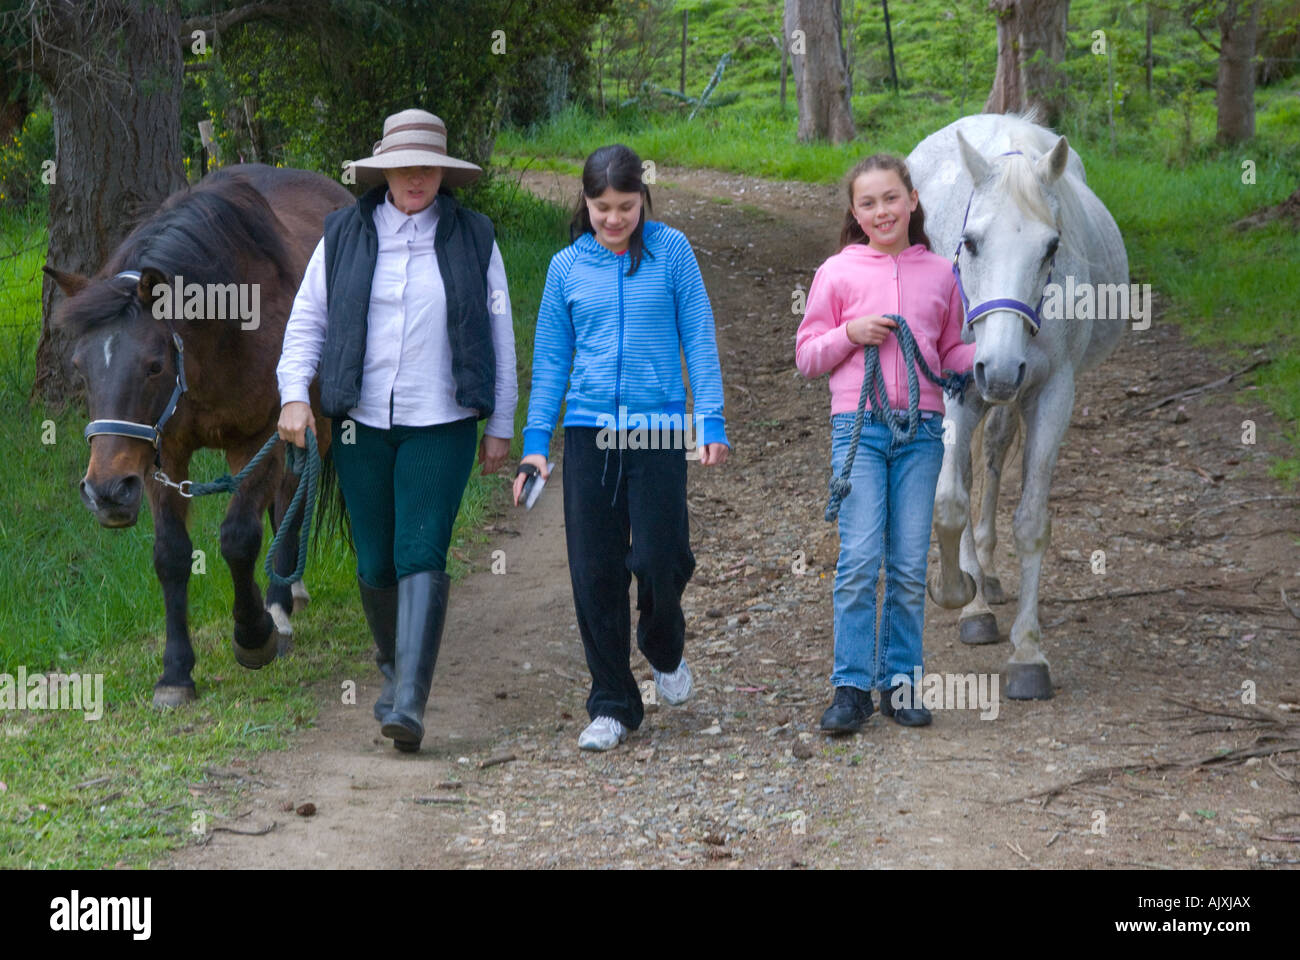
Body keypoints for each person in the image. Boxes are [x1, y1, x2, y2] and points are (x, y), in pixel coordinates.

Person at [276, 109, 517, 752]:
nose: (416, 177)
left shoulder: (475, 236)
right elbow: (308, 323)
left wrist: (502, 422)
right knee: (376, 558)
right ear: (383, 171)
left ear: (443, 172)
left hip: (441, 421)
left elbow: (500, 333)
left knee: (421, 552)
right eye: (404, 167)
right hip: (359, 424)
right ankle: (393, 668)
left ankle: (409, 699)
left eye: (428, 166)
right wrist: (295, 395)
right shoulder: (343, 234)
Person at [515, 144, 729, 751]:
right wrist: (536, 444)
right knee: (594, 570)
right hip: (588, 432)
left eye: (626, 207)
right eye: (601, 207)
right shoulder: (565, 268)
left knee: (662, 557)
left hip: (658, 429)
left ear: (644, 199)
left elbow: (700, 337)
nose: (613, 219)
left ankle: (662, 645)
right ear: (584, 203)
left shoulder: (674, 253)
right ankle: (611, 701)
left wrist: (710, 420)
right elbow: (552, 360)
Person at [795, 153, 975, 733]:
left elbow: (949, 354)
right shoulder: (838, 272)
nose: (882, 211)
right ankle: (850, 685)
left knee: (904, 565)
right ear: (855, 212)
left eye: (891, 198)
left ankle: (902, 683)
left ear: (913, 200)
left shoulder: (942, 274)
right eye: (868, 202)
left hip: (922, 432)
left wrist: (994, 354)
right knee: (859, 559)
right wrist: (849, 333)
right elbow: (807, 355)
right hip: (859, 431)